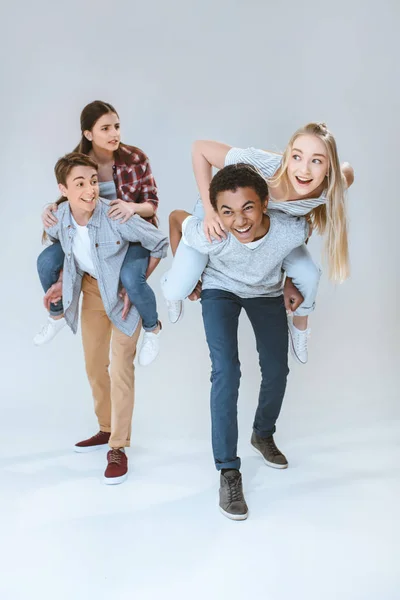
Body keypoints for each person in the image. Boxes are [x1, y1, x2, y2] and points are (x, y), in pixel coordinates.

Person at [168, 162, 308, 520]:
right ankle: (228, 470)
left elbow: (301, 242)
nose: (239, 220)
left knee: (278, 369)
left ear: (264, 202)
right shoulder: (209, 232)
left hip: (265, 292)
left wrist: (291, 280)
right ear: (216, 211)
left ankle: (262, 434)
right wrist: (188, 271)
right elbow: (174, 217)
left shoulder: (289, 229)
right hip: (220, 290)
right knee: (226, 373)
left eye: (247, 207)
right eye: (227, 211)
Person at [162, 122, 354, 364]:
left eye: (316, 160)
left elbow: (348, 171)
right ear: (287, 157)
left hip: (268, 230)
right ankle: (172, 286)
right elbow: (200, 148)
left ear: (328, 167)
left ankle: (301, 324)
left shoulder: (329, 188)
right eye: (297, 157)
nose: (304, 170)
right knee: (179, 286)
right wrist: (211, 211)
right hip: (225, 215)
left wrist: (290, 279)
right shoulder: (261, 165)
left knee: (308, 275)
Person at [43, 152, 168, 484]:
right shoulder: (62, 219)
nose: (90, 190)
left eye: (94, 181)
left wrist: (135, 283)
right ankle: (105, 427)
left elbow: (159, 243)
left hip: (122, 298)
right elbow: (66, 251)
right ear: (63, 189)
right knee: (94, 365)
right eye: (80, 184)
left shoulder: (115, 215)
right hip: (90, 292)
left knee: (119, 370)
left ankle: (118, 447)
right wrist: (58, 284)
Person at [35, 100, 162, 366]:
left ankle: (153, 329)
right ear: (88, 134)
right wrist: (50, 208)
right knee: (46, 261)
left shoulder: (135, 158)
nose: (114, 133)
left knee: (130, 277)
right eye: (105, 128)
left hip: (129, 231)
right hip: (92, 233)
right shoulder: (80, 162)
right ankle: (57, 313)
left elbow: (151, 204)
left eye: (116, 126)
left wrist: (131, 207)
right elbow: (70, 197)